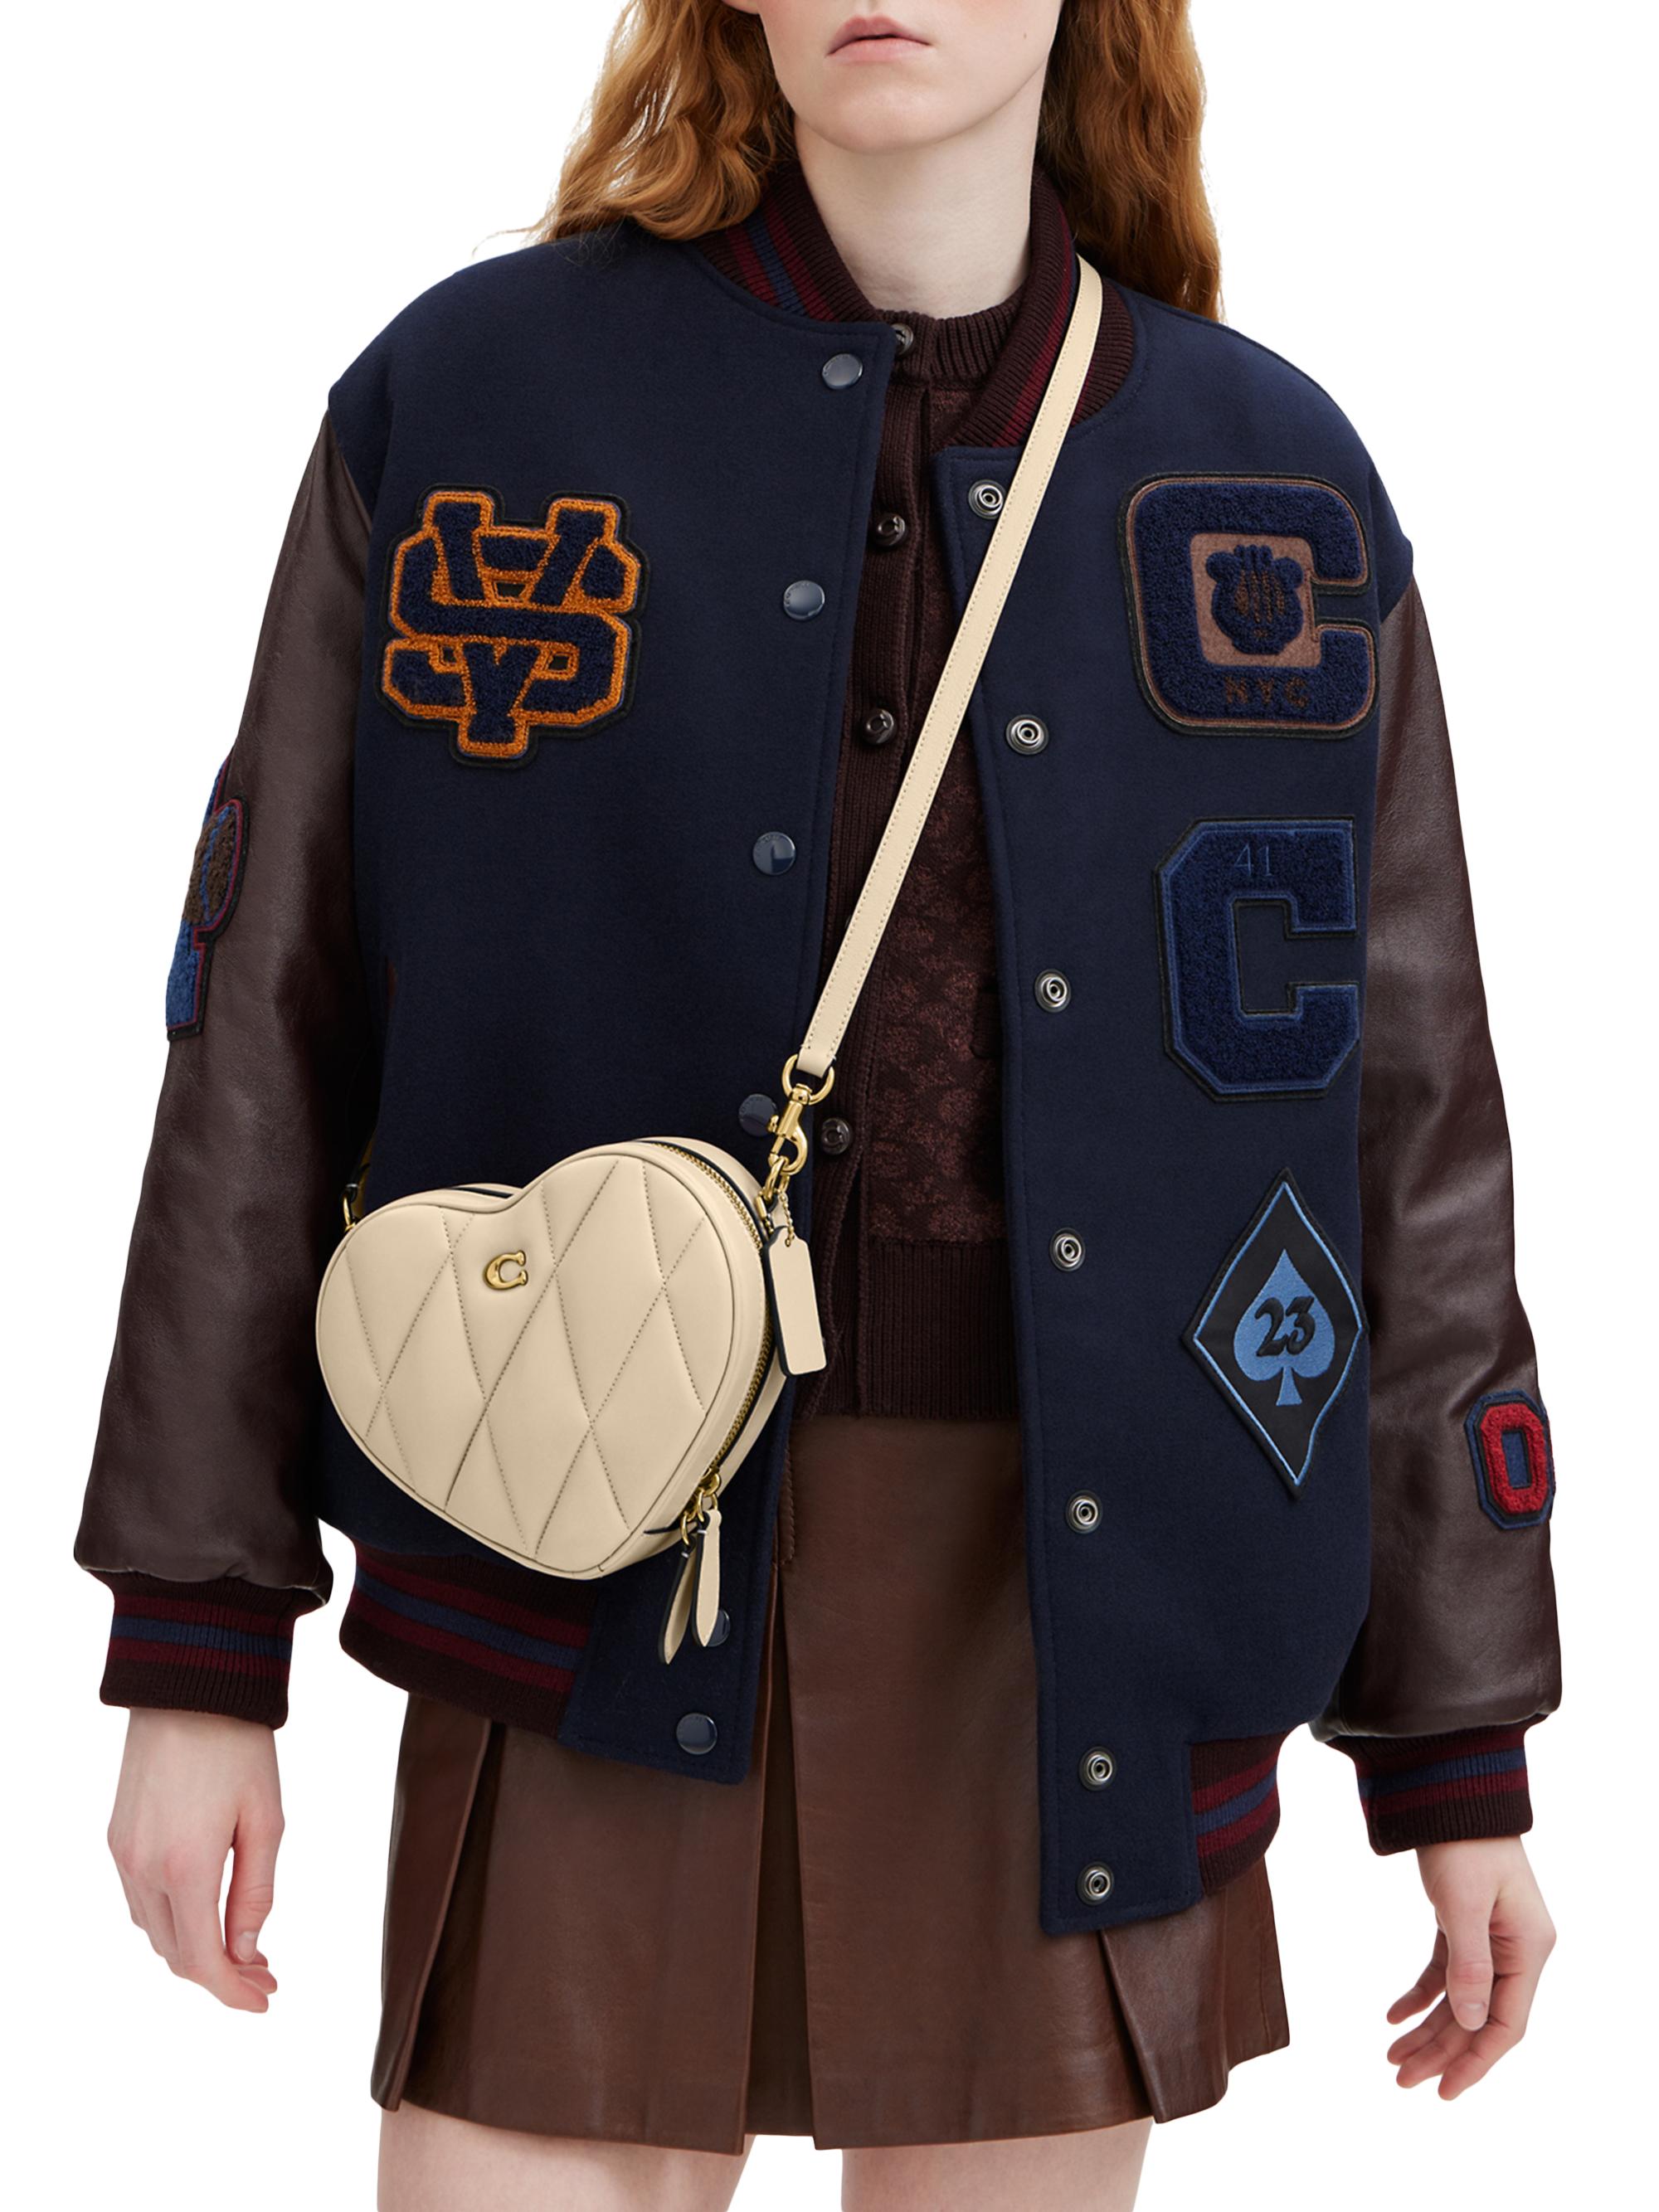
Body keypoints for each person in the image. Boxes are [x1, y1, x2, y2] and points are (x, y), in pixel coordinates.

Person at [78, 4, 1560, 2208]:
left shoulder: (1274, 478)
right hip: (587, 1537)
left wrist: (1459, 1748)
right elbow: (262, 1023)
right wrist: (197, 1646)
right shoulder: (470, 404)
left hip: (1084, 1608)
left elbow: (1410, 1140)